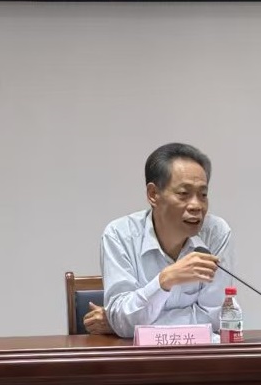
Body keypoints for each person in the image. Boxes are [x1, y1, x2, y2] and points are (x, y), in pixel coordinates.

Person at [97, 143, 236, 339]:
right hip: (140, 357)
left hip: (200, 355)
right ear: (153, 194)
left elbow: (213, 320)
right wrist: (165, 280)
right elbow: (123, 321)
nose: (196, 205)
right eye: (184, 194)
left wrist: (137, 325)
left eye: (203, 195)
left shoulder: (216, 234)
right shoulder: (119, 235)